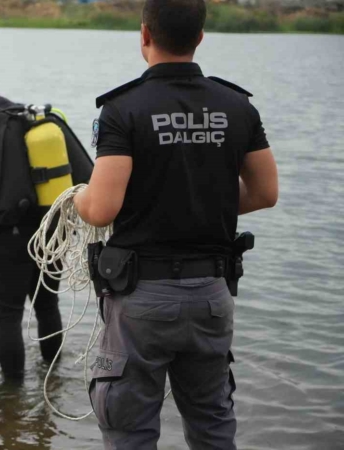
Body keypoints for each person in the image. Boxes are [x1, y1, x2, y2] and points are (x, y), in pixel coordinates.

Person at [74, 0, 279, 448]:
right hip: (211, 295)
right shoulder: (237, 106)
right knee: (212, 426)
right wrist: (204, 203)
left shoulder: (122, 109)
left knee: (130, 431)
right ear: (200, 37)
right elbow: (265, 194)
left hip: (141, 301)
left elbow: (102, 208)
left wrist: (78, 199)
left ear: (145, 35)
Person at [0, 71, 93, 379]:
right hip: (51, 228)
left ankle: (11, 397)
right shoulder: (31, 116)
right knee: (47, 304)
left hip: (9, 234)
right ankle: (53, 380)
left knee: (8, 314)